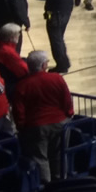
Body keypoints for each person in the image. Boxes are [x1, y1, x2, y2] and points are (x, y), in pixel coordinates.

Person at [12, 50, 71, 183]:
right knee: (60, 154)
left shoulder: (22, 85)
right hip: (60, 123)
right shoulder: (57, 78)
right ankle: (62, 183)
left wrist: (21, 126)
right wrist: (68, 115)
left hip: (36, 127)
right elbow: (67, 100)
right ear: (44, 65)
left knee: (40, 158)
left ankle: (46, 187)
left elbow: (18, 110)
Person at [33, 0, 74, 75]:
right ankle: (65, 62)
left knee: (56, 43)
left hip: (55, 19)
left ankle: (61, 65)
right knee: (60, 40)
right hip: (65, 16)